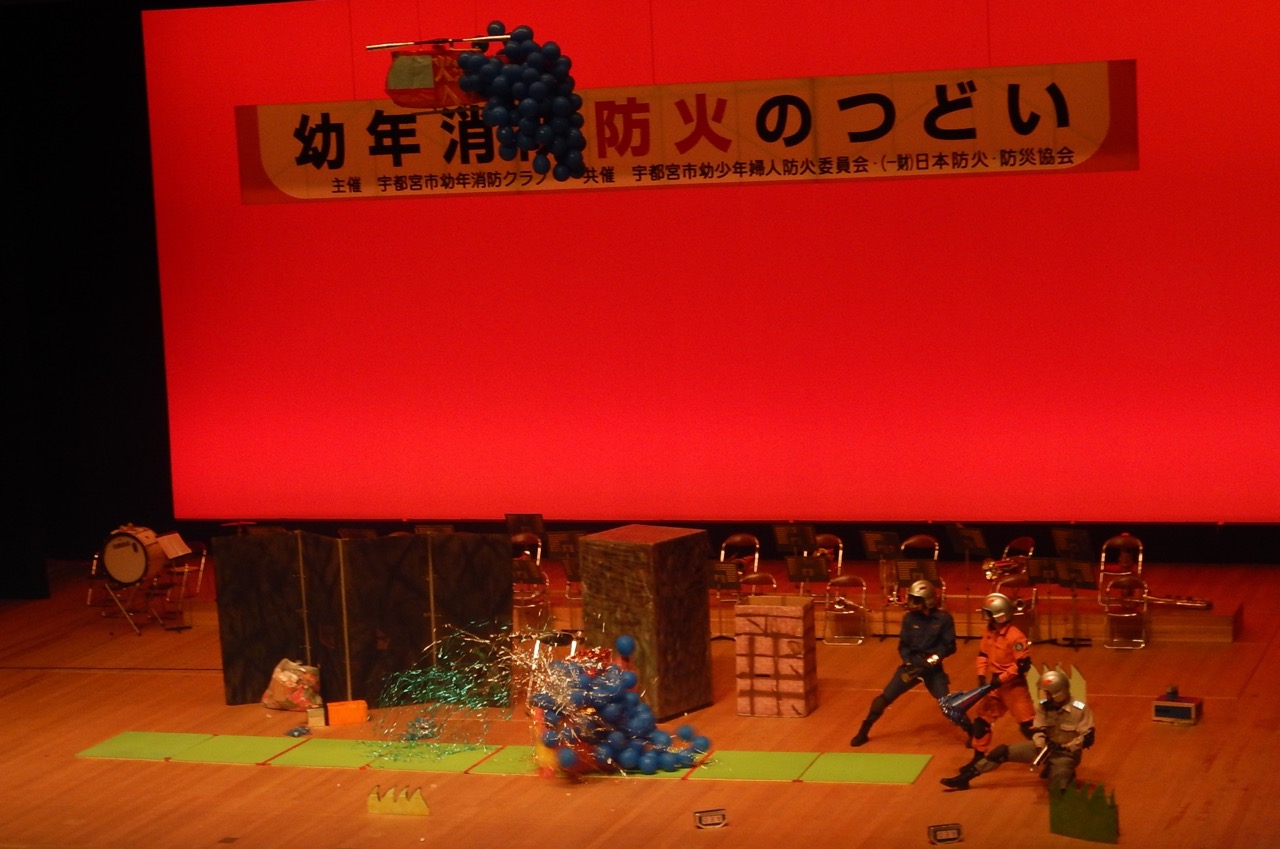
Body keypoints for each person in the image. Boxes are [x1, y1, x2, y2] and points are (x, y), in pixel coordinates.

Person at [940, 667, 1095, 791]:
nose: (1045, 696)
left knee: (1058, 784)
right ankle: (965, 778)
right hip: (1043, 748)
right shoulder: (1043, 707)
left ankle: (1064, 773)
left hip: (1066, 754)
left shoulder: (1079, 709)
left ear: (1058, 693)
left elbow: (1087, 737)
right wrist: (1041, 745)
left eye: (1048, 693)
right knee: (1001, 752)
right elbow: (1038, 729)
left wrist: (1066, 747)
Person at [850, 579, 958, 747]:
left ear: (928, 600)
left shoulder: (944, 619)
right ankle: (863, 731)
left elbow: (949, 646)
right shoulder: (909, 619)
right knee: (884, 698)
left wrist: (934, 659)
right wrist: (908, 661)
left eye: (917, 599)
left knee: (948, 705)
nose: (912, 602)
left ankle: (971, 731)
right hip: (912, 667)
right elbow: (903, 646)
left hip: (933, 670)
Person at [965, 593, 1037, 760]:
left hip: (1014, 688)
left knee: (1028, 726)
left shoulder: (1015, 637)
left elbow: (1022, 665)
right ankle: (978, 759)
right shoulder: (990, 632)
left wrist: (1002, 678)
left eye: (989, 613)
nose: (987, 617)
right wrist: (981, 675)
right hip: (995, 685)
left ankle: (1048, 755)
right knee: (981, 722)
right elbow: (983, 654)